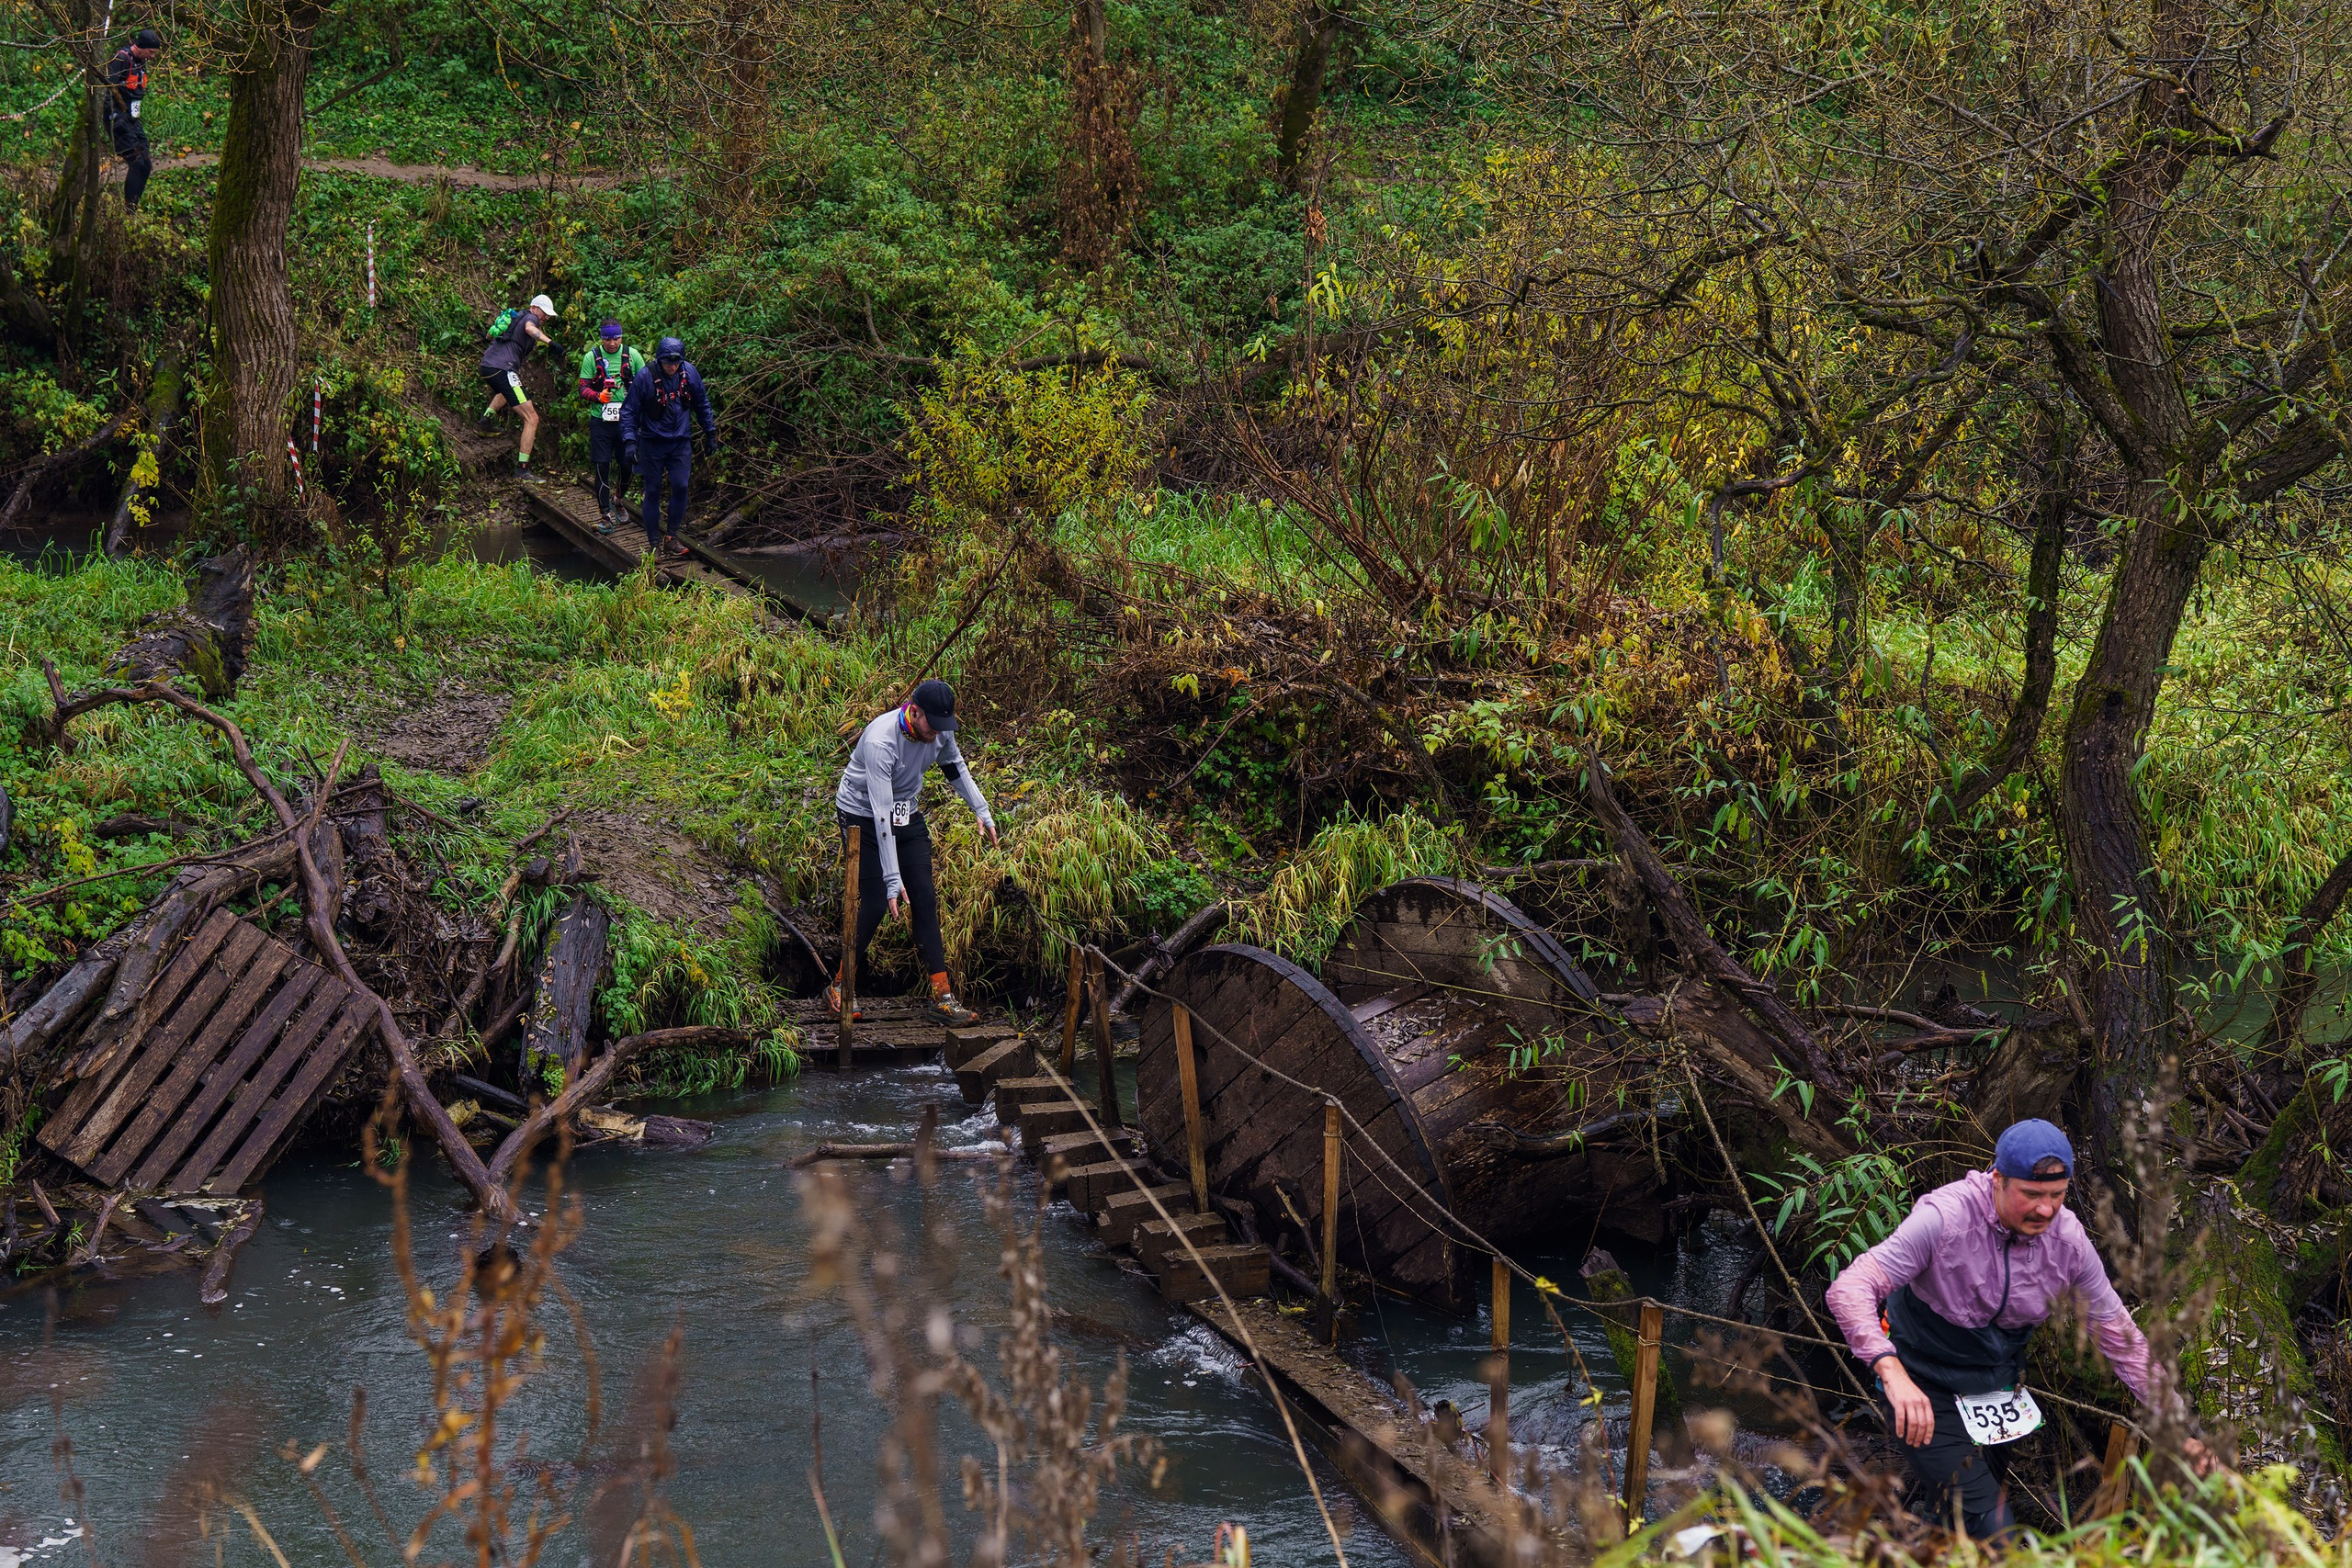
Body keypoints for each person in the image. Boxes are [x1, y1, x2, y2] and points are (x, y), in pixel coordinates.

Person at [1826, 1120, 2207, 1539]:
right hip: (1922, 1387)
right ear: (1998, 1179)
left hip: (1997, 1390)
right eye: (2031, 1194)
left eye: (2057, 1195)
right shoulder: (1945, 1219)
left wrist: (2175, 1425)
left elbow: (2120, 1336)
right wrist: (1890, 1371)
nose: (2045, 1209)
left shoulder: (2068, 1243)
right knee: (1995, 1530)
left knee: (1956, 1524)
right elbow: (1851, 1287)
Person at [830, 679, 998, 1027]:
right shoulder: (880, 741)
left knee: (923, 896)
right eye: (932, 725)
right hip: (862, 814)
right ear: (914, 711)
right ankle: (840, 985)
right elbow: (880, 813)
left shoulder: (940, 728)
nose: (937, 733)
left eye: (943, 725)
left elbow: (954, 766)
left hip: (905, 812)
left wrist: (982, 810)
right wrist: (892, 878)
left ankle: (943, 998)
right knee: (876, 900)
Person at [619, 336, 718, 559]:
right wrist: (629, 441)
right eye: (667, 363)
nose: (672, 367)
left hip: (680, 442)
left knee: (681, 486)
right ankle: (654, 543)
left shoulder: (689, 373)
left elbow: (702, 403)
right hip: (652, 442)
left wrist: (710, 433)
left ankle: (671, 537)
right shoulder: (645, 376)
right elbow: (629, 411)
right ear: (660, 360)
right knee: (653, 490)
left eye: (676, 363)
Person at [475, 294, 559, 482]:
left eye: (548, 315)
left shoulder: (517, 318)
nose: (546, 317)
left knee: (509, 390)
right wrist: (550, 343)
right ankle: (522, 470)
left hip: (488, 367)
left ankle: (484, 421)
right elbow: (530, 329)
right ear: (534, 308)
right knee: (532, 418)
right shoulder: (530, 318)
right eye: (544, 313)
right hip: (502, 369)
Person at [578, 321, 645, 530]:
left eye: (616, 338)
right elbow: (582, 388)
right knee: (602, 466)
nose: (612, 343)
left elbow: (646, 385)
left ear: (621, 337)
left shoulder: (633, 355)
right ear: (601, 338)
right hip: (601, 421)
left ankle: (618, 499)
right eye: (607, 339)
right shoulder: (592, 357)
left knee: (627, 465)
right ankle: (605, 515)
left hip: (627, 421)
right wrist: (598, 396)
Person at [104, 28, 164, 213]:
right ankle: (129, 209)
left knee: (146, 165)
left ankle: (133, 207)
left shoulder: (140, 62)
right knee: (137, 163)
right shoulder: (121, 59)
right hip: (119, 119)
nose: (153, 56)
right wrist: (113, 117)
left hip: (133, 120)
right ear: (141, 47)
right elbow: (106, 89)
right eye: (151, 52)